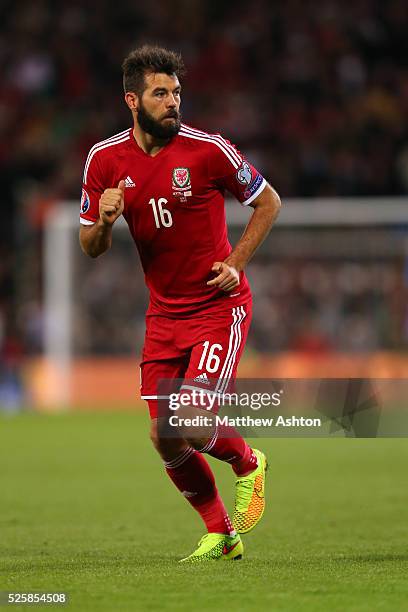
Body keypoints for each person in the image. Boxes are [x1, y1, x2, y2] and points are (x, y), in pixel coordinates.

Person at [79, 45, 281, 562]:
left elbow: (268, 201)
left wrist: (236, 261)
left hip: (218, 304)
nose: (173, 103)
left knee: (189, 419)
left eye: (176, 93)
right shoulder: (104, 161)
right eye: (160, 93)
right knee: (163, 435)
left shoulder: (208, 149)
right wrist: (103, 220)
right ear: (132, 100)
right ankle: (221, 534)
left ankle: (248, 464)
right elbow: (90, 247)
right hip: (163, 313)